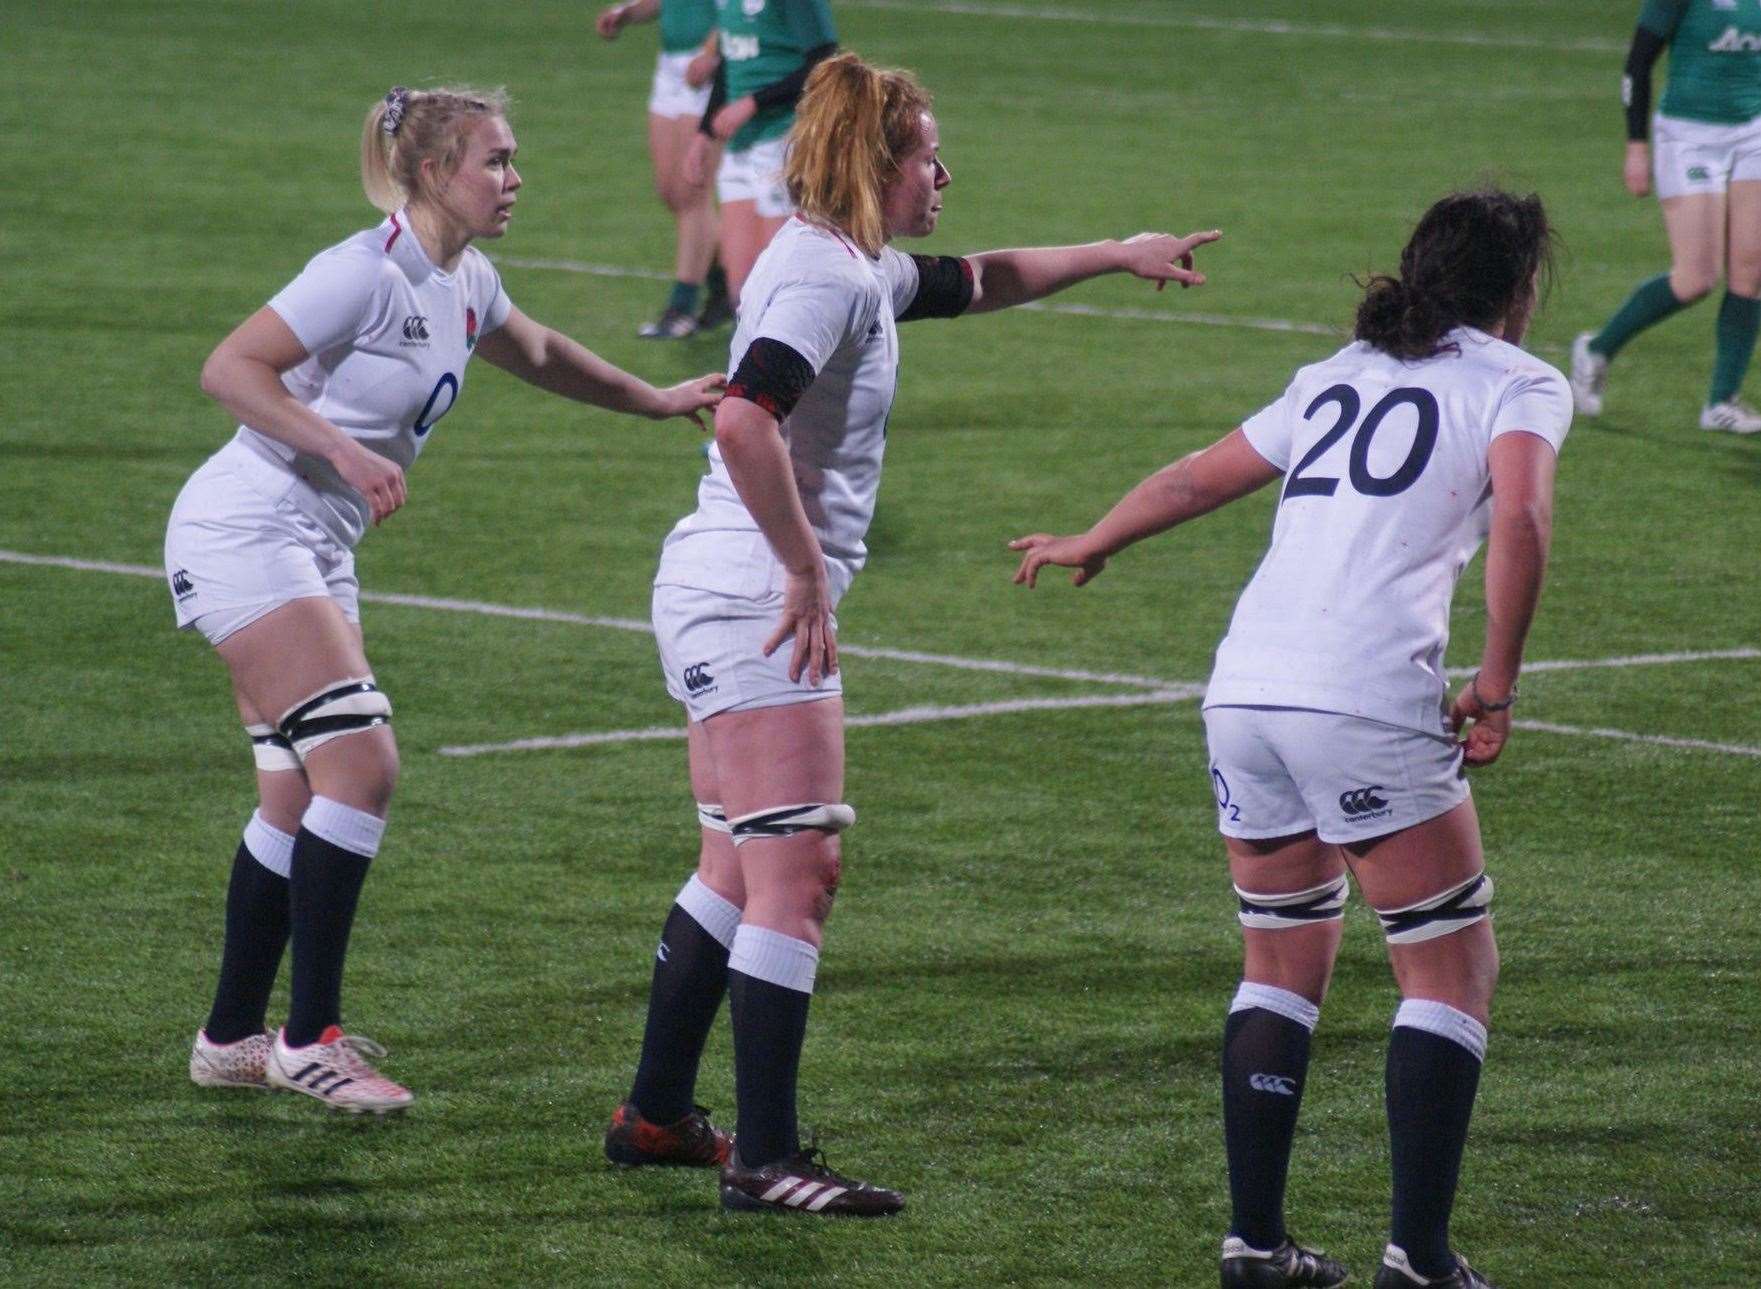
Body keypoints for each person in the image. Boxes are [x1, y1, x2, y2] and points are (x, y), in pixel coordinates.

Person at [600, 50, 1218, 1214]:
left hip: (719, 588)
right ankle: (769, 1156)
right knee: (802, 866)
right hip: (752, 598)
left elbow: (979, 278)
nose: (947, 170)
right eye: (928, 152)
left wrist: (1116, 252)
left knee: (736, 862)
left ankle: (657, 1114)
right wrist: (804, 573)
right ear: (874, 164)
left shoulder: (849, 262)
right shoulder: (824, 282)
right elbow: (743, 421)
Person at [1013, 190, 1567, 1288]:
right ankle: (1417, 1254)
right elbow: (1522, 516)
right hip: (1361, 698)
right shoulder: (1517, 380)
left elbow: (1197, 474)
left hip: (1244, 693)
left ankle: (1256, 1243)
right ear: (1517, 292)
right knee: (1450, 968)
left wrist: (1098, 535)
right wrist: (1495, 679)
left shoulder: (1337, 375)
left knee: (1280, 959)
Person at [172, 85, 723, 1114]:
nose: (514, 180)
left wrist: (657, 399)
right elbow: (230, 367)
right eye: (497, 162)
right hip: (245, 527)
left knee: (297, 795)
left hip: (313, 543)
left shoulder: (466, 279)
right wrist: (341, 447)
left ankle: (230, 1036)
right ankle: (310, 1038)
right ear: (434, 173)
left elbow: (545, 353)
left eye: (514, 160)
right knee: (363, 762)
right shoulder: (361, 273)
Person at [1571, 0, 1761, 433]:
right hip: (1688, 137)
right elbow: (1637, 65)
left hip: (1753, 132)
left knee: (1750, 274)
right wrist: (1637, 146)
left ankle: (1721, 403)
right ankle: (1597, 349)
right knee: (1696, 279)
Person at [683, 0, 839, 314]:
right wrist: (703, 134)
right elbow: (732, 62)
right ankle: (747, 359)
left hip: (785, 139)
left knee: (779, 281)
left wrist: (754, 102)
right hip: (741, 146)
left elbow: (824, 64)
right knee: (741, 291)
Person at [595, 0, 733, 338]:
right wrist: (627, 13)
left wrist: (711, 51)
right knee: (670, 191)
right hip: (670, 66)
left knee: (691, 193)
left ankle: (681, 308)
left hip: (707, 66)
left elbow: (741, 9)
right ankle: (725, 286)